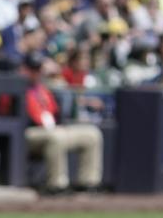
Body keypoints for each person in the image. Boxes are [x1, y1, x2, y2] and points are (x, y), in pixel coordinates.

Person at [20, 52, 103, 195]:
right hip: (28, 131)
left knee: (92, 134)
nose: (36, 72)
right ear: (25, 69)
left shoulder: (42, 89)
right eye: (33, 69)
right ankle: (57, 185)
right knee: (56, 137)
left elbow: (55, 113)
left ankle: (87, 183)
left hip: (51, 128)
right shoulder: (18, 87)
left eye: (39, 68)